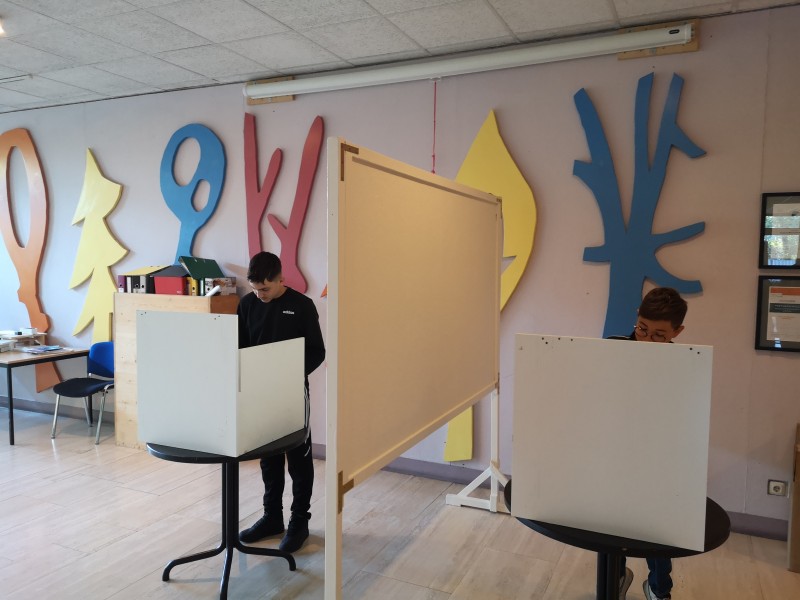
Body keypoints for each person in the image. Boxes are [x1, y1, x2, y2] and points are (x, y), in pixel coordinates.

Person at [237, 251, 326, 553]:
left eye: (265, 288)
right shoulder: (247, 305)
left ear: (281, 279)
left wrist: (288, 374)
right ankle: (272, 517)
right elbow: (240, 349)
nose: (259, 295)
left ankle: (299, 521)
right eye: (255, 289)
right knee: (269, 458)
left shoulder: (302, 306)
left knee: (298, 459)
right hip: (259, 394)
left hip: (292, 393)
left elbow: (317, 351)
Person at [613, 286, 687, 600]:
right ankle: (615, 577)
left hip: (658, 456)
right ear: (637, 317)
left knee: (655, 526)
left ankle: (659, 588)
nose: (645, 339)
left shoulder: (684, 362)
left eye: (658, 335)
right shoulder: (613, 348)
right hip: (615, 450)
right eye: (642, 329)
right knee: (612, 520)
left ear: (677, 332)